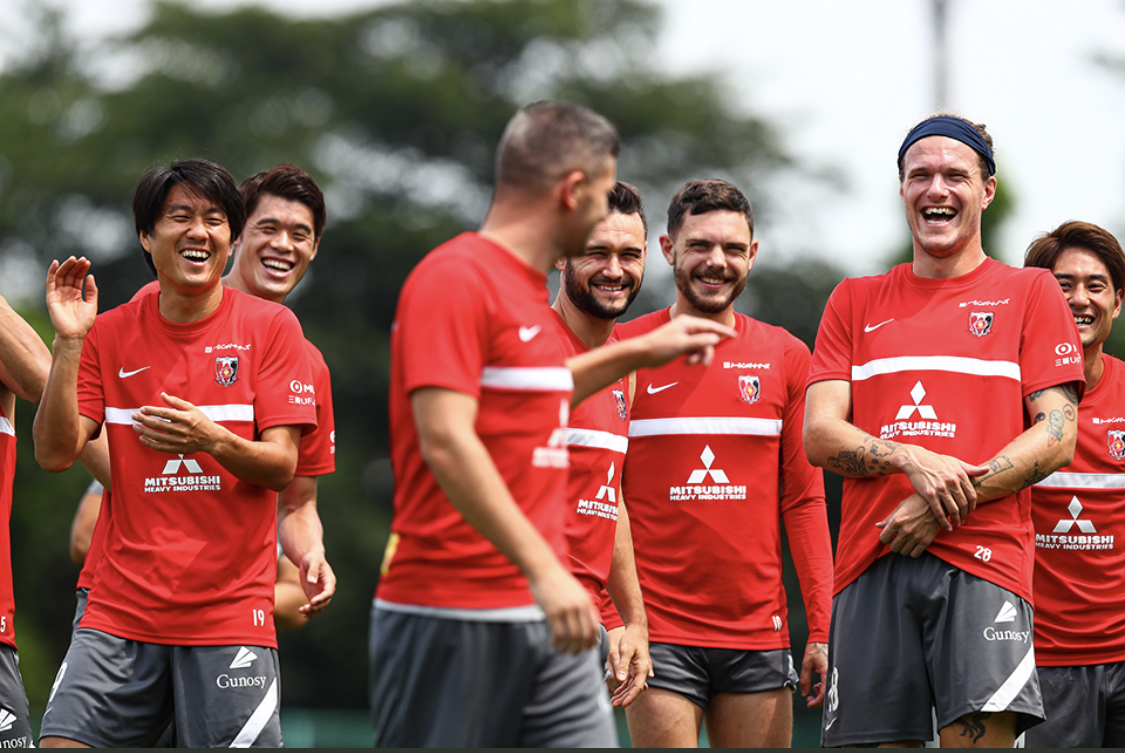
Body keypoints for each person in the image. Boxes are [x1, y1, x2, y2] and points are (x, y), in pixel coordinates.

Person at [371, 100, 733, 748]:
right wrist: (545, 571)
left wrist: (636, 353)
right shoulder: (455, 277)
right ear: (571, 191)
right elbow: (447, 439)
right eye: (600, 195)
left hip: (553, 620)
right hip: (451, 606)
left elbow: (532, 401)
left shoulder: (526, 299)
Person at [803, 115, 1085, 747]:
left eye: (955, 175)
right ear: (902, 188)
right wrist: (912, 458)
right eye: (920, 175)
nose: (937, 189)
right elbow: (819, 434)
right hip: (872, 560)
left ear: (986, 190)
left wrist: (939, 503)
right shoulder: (853, 299)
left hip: (985, 567)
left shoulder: (1032, 291)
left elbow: (1056, 434)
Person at [33, 158, 323, 747]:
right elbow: (55, 453)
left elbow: (283, 469)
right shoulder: (108, 332)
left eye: (215, 220)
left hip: (227, 617)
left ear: (230, 238)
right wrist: (67, 342)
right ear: (147, 235)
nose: (199, 232)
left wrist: (210, 439)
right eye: (181, 217)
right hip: (117, 611)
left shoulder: (274, 329)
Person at [66, 163, 337, 637]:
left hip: (223, 622)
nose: (283, 245)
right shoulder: (156, 308)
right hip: (123, 607)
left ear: (314, 248)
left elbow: (297, 504)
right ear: (236, 235)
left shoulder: (309, 363)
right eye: (268, 228)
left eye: (301, 235)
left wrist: (310, 552)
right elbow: (89, 519)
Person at [615, 179, 833, 748]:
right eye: (700, 246)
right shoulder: (621, 351)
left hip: (758, 633)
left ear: (752, 255)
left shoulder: (787, 355)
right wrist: (618, 619)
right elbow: (601, 496)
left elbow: (804, 500)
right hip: (657, 633)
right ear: (668, 250)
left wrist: (822, 625)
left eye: (733, 248)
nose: (717, 261)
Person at [1021, 221, 1125, 748]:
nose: (1079, 299)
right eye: (1062, 286)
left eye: (1095, 286)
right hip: (1040, 663)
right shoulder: (1005, 397)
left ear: (1118, 301)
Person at [552, 180, 652, 708]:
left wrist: (628, 620)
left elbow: (606, 497)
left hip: (583, 627)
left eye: (629, 255)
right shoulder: (523, 351)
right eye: (597, 252)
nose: (615, 270)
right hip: (515, 616)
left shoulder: (622, 367)